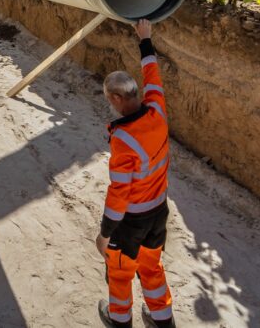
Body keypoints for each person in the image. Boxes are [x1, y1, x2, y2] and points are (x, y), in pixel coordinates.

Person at [96, 19, 174, 328]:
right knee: (151, 267)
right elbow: (152, 72)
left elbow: (119, 193)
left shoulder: (123, 139)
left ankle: (120, 320)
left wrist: (105, 233)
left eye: (108, 100)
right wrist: (145, 37)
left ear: (116, 99)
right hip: (158, 211)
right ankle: (162, 319)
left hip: (131, 221)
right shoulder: (157, 109)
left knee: (120, 272)